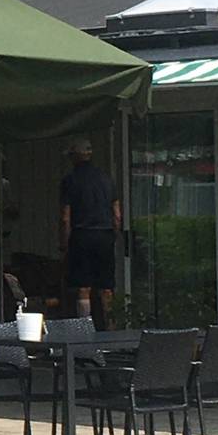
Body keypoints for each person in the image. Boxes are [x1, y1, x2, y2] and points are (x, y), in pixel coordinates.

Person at [59, 137, 121, 330]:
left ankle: (84, 330)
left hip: (82, 235)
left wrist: (65, 243)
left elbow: (66, 217)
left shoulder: (70, 180)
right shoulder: (106, 179)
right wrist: (113, 235)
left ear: (74, 157)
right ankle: (111, 330)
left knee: (83, 287)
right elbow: (117, 214)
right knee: (106, 288)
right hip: (105, 235)